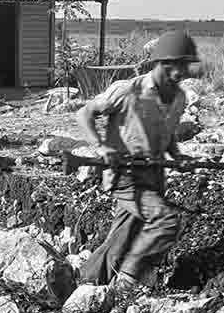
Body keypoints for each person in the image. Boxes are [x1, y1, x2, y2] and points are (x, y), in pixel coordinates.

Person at [76, 30, 200, 298]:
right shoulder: (127, 91)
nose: (182, 72)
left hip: (154, 176)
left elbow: (166, 135)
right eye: (177, 65)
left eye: (185, 66)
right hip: (125, 175)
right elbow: (84, 113)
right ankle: (128, 280)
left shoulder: (178, 98)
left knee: (124, 234)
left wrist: (178, 157)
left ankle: (87, 282)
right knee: (166, 220)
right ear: (161, 63)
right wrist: (101, 147)